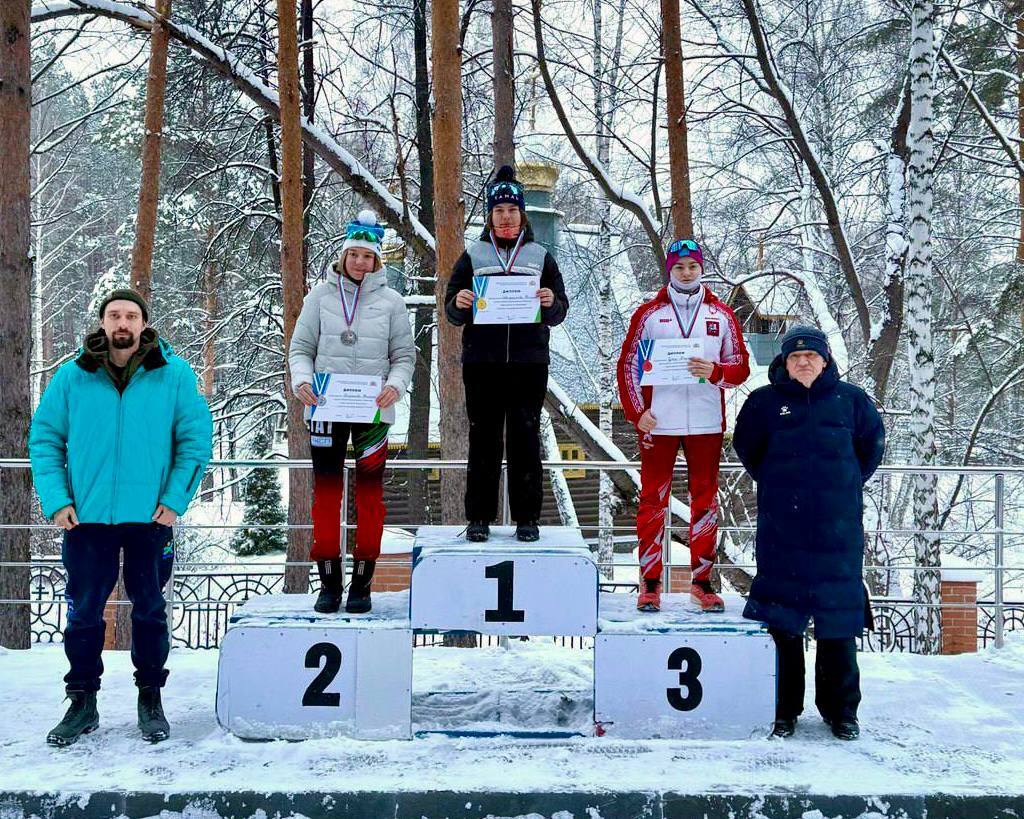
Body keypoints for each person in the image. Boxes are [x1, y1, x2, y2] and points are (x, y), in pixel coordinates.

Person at [29, 288, 212, 746]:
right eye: (115, 315)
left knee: (150, 610)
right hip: (85, 518)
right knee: (83, 613)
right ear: (103, 324)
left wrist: (175, 500)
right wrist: (56, 499)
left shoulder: (173, 376)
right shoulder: (73, 377)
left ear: (145, 324)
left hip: (151, 518)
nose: (123, 323)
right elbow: (45, 439)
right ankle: (82, 701)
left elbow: (194, 441)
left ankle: (150, 697)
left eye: (131, 315)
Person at [733, 325, 885, 741]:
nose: (804, 362)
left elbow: (870, 449)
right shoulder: (763, 403)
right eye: (795, 356)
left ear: (825, 360)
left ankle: (842, 712)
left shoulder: (851, 401)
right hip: (783, 531)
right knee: (784, 624)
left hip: (838, 533)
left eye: (811, 356)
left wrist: (841, 487)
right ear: (784, 362)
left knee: (838, 625)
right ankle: (783, 710)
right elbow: (748, 449)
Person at [290, 209, 415, 614]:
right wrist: (302, 381)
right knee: (326, 499)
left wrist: (395, 386)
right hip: (326, 408)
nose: (360, 262)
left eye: (369, 256)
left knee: (370, 499)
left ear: (378, 260)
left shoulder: (393, 302)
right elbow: (300, 350)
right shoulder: (319, 297)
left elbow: (404, 356)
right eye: (354, 254)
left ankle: (362, 581)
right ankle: (328, 582)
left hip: (373, 413)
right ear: (343, 255)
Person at [616, 239, 750, 613]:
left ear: (700, 268)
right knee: (652, 499)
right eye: (679, 267)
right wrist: (636, 410)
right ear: (669, 271)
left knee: (705, 501)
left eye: (692, 267)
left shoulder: (721, 315)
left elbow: (739, 367)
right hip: (658, 420)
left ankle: (702, 581)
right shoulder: (649, 314)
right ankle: (650, 582)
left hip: (706, 422)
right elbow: (628, 365)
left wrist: (716, 372)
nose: (686, 273)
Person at [444, 165, 569, 543]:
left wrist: (550, 302)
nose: (505, 217)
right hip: (482, 362)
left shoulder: (540, 256)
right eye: (498, 211)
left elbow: (561, 308)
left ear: (522, 214)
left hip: (529, 363)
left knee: (525, 439)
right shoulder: (473, 255)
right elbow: (450, 308)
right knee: (483, 439)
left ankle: (527, 518)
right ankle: (479, 517)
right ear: (490, 216)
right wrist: (460, 302)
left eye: (512, 210)